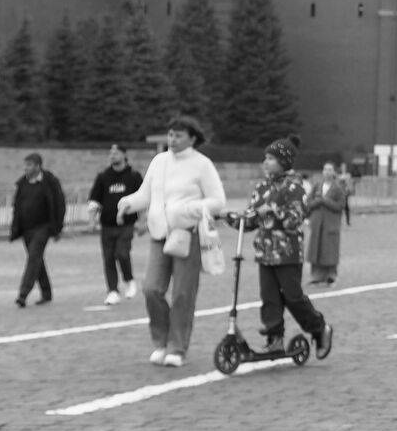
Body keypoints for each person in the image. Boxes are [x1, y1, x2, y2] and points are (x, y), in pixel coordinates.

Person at [117, 116, 226, 367]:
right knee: (151, 289)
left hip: (187, 235)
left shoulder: (202, 164)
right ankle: (161, 341)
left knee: (182, 294)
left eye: (178, 135)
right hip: (159, 234)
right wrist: (127, 203)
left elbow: (218, 201)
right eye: (170, 134)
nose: (172, 139)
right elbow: (145, 195)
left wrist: (189, 209)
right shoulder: (159, 161)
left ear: (192, 138)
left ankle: (177, 347)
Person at [221, 135, 334, 355]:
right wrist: (230, 217)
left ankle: (319, 328)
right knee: (269, 297)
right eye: (265, 158)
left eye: (271, 158)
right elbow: (251, 219)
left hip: (287, 253)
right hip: (265, 252)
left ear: (284, 161)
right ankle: (275, 338)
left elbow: (295, 219)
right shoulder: (262, 187)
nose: (265, 162)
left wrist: (274, 211)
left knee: (293, 297)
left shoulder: (295, 187)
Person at [86, 144, 144, 305]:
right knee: (108, 258)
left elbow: (142, 200)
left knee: (122, 253)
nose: (112, 155)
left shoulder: (134, 176)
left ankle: (129, 280)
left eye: (116, 153)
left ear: (124, 155)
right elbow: (94, 200)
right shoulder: (103, 176)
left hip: (127, 224)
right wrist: (92, 220)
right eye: (110, 153)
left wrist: (142, 221)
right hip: (107, 225)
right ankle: (112, 291)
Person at [10, 153, 66, 308]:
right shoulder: (22, 183)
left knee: (33, 258)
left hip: (43, 227)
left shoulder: (50, 182)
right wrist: (15, 228)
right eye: (25, 165)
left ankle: (23, 294)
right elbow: (17, 206)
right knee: (37, 260)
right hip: (26, 229)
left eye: (29, 165)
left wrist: (58, 227)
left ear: (38, 166)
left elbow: (59, 204)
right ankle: (46, 293)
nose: (25, 168)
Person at [304, 162, 347, 286]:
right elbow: (308, 203)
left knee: (330, 250)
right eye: (325, 169)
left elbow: (340, 206)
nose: (327, 172)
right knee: (316, 249)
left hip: (331, 224)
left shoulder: (338, 187)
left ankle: (330, 276)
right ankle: (316, 276)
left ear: (334, 172)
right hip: (317, 223)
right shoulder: (317, 185)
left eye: (330, 170)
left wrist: (325, 201)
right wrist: (318, 202)